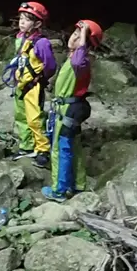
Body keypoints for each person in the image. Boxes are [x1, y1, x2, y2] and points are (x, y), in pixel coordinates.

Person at [43, 20, 102, 201]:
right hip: (71, 108)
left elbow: (80, 55)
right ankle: (78, 184)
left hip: (67, 110)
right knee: (73, 147)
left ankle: (59, 190)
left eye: (79, 36)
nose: (74, 37)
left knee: (61, 150)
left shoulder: (81, 60)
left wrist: (84, 36)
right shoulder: (75, 58)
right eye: (74, 33)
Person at [3, 1, 56, 166]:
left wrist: (40, 78)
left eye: (26, 20)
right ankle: (26, 145)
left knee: (35, 118)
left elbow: (50, 65)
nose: (22, 23)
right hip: (20, 83)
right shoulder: (21, 38)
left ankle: (42, 149)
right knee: (20, 116)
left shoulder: (41, 43)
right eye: (21, 19)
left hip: (33, 85)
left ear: (38, 23)